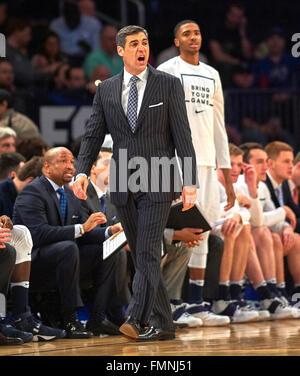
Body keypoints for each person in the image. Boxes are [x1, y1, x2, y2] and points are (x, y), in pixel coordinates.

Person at [73, 25, 198, 342]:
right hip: (124, 179)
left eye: (145, 42)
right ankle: (165, 324)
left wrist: (190, 181)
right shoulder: (106, 89)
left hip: (159, 176)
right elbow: (93, 134)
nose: (141, 48)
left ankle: (136, 317)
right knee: (142, 254)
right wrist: (81, 170)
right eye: (133, 44)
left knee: (147, 253)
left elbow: (183, 137)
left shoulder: (168, 84)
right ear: (120, 51)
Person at [157, 20, 235, 325]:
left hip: (207, 163)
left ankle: (196, 303)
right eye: (187, 34)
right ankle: (169, 302)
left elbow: (219, 129)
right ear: (176, 41)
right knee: (177, 233)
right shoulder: (166, 71)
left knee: (203, 232)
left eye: (197, 32)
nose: (193, 37)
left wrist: (226, 177)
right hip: (178, 162)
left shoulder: (213, 74)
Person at [13, 147, 119, 338]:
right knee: (68, 248)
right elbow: (38, 235)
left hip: (66, 260)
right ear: (47, 167)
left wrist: (109, 231)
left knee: (107, 249)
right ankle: (71, 319)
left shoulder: (70, 194)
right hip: (33, 264)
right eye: (63, 161)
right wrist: (82, 228)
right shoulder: (32, 192)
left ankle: (98, 317)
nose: (70, 166)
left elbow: (83, 232)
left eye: (71, 162)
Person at [208, 1, 253, 88]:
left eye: (239, 17)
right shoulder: (217, 29)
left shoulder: (242, 31)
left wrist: (242, 33)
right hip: (219, 67)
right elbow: (217, 56)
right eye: (233, 16)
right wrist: (236, 62)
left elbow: (247, 55)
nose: (236, 19)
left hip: (239, 70)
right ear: (228, 14)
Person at [49, 1, 101, 66]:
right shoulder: (55, 25)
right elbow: (49, 48)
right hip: (61, 59)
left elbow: (97, 51)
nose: (72, 21)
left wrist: (88, 48)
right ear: (64, 16)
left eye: (74, 18)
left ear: (80, 13)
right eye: (69, 18)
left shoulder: (93, 24)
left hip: (85, 59)